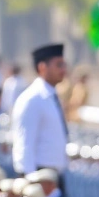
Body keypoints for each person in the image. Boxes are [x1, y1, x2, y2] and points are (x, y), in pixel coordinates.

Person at [12, 43, 69, 175]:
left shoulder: (51, 96)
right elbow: (24, 144)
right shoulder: (32, 99)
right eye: (59, 65)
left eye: (64, 65)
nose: (64, 70)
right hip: (40, 175)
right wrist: (30, 181)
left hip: (54, 175)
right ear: (42, 67)